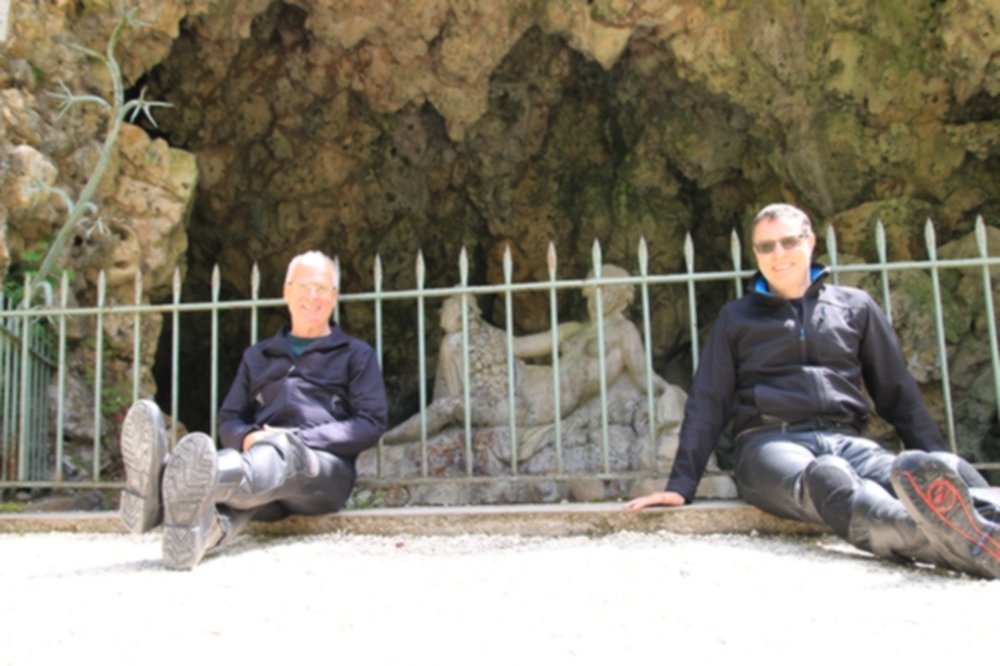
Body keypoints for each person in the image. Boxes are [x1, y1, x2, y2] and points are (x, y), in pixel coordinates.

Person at [625, 203, 1000, 578]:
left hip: (847, 440)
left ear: (811, 242)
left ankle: (986, 527)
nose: (778, 254)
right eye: (766, 246)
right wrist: (681, 485)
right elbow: (709, 402)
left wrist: (935, 458)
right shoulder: (736, 318)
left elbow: (897, 393)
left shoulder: (855, 307)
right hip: (768, 445)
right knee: (829, 478)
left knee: (939, 471)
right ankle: (941, 542)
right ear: (755, 253)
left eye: (788, 242)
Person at [118, 250, 387, 570]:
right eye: (303, 287)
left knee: (281, 456)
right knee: (240, 501)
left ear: (334, 296)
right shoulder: (258, 356)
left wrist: (295, 438)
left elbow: (370, 422)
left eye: (321, 288)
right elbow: (230, 419)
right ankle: (196, 535)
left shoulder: (356, 355)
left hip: (323, 473)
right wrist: (248, 439)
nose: (312, 296)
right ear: (287, 292)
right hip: (258, 470)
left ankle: (165, 483)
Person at [383, 265, 676, 443]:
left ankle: (388, 443)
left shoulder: (624, 332)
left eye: (598, 293)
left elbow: (644, 377)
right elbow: (515, 346)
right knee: (455, 342)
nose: (591, 303)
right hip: (526, 379)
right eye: (589, 296)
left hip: (538, 405)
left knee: (449, 407)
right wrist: (473, 318)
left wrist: (670, 394)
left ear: (615, 295)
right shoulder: (573, 329)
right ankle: (393, 442)